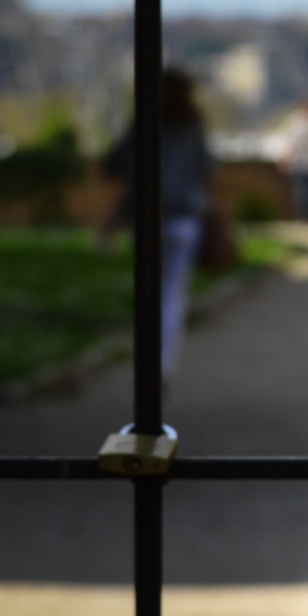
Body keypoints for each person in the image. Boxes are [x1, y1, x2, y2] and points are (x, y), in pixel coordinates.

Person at [103, 66, 216, 387]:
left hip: (148, 218)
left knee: (149, 294)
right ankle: (163, 365)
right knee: (172, 294)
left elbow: (117, 164)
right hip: (184, 218)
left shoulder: (144, 123)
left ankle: (150, 362)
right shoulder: (192, 123)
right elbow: (207, 170)